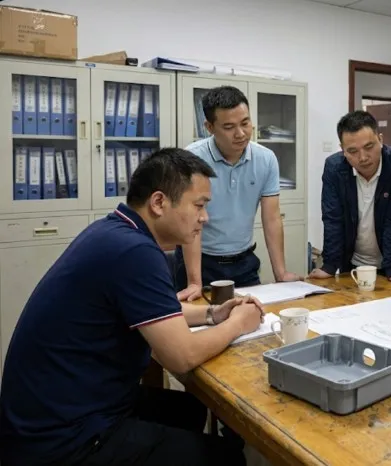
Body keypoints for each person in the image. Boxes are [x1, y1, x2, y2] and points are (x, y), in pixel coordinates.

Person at [0, 148, 264, 466]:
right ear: (158, 202)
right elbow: (181, 357)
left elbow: (152, 311)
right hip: (64, 438)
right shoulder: (134, 252)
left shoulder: (116, 232)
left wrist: (212, 314)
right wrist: (238, 324)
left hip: (60, 408)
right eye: (199, 205)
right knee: (224, 457)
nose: (204, 218)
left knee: (188, 410)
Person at [174, 86, 301, 301]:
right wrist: (194, 282)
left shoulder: (266, 159)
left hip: (244, 263)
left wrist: (281, 273)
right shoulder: (192, 159)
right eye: (229, 127)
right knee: (202, 325)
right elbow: (190, 222)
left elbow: (271, 219)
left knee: (255, 322)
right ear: (209, 127)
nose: (241, 134)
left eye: (245, 123)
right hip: (200, 263)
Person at [309, 110, 391, 282]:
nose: (363, 157)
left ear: (380, 139)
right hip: (352, 264)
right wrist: (329, 265)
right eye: (352, 151)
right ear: (342, 150)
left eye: (369, 147)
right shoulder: (334, 169)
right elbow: (332, 218)